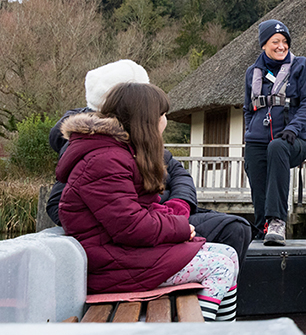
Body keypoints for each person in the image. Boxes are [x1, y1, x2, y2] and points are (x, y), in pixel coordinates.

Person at [57, 83, 240, 321]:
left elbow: (139, 210)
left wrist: (175, 221)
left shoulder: (117, 152)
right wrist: (181, 228)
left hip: (121, 255)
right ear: (146, 120)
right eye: (162, 115)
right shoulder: (105, 160)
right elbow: (130, 227)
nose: (165, 121)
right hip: (110, 264)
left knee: (228, 253)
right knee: (220, 267)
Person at [45, 59, 252, 266]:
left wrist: (178, 205)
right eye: (158, 112)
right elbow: (62, 204)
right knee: (231, 233)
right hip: (138, 236)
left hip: (159, 220)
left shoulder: (139, 143)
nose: (163, 119)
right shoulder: (102, 152)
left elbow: (180, 175)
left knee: (235, 228)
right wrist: (157, 218)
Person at [243, 19, 306, 245]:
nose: (281, 46)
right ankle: (262, 226)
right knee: (254, 165)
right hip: (258, 139)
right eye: (275, 41)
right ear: (264, 44)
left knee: (276, 147)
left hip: (292, 141)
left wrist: (293, 128)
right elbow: (248, 108)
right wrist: (250, 131)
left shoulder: (301, 66)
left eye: (285, 42)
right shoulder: (251, 73)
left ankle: (277, 220)